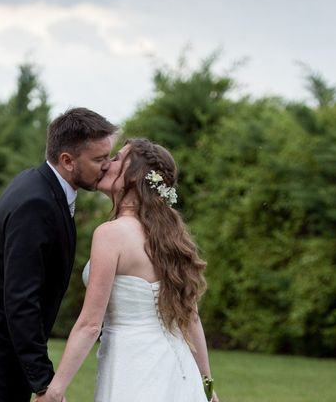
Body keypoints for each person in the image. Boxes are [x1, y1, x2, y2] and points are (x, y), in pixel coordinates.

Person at [0, 107, 117, 402]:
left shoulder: (41, 184)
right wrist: (43, 381)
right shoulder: (37, 203)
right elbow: (21, 297)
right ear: (67, 161)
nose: (107, 166)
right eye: (98, 159)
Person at [36, 138, 219, 402]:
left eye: (118, 159)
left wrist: (54, 391)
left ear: (134, 176)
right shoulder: (170, 239)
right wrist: (206, 386)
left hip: (133, 371)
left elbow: (89, 324)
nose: (108, 164)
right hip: (180, 375)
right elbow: (191, 318)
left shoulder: (111, 235)